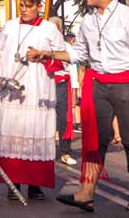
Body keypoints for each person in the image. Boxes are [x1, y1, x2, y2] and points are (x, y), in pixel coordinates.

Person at [42, 0, 129, 212]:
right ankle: (87, 193)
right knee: (96, 140)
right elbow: (79, 54)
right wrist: (49, 53)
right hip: (99, 84)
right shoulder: (88, 20)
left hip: (128, 84)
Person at [0, 0, 66, 200]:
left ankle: (34, 185)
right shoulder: (10, 26)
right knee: (12, 133)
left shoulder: (49, 29)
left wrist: (44, 57)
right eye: (21, 5)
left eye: (28, 6)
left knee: (33, 134)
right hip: (10, 91)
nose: (23, 10)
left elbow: (62, 58)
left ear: (39, 6)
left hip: (36, 90)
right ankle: (13, 183)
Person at [50, 16, 76, 166]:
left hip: (62, 85)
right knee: (45, 119)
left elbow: (73, 67)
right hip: (46, 84)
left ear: (60, 29)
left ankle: (65, 152)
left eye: (55, 28)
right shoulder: (44, 45)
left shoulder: (67, 47)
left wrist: (74, 92)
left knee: (63, 119)